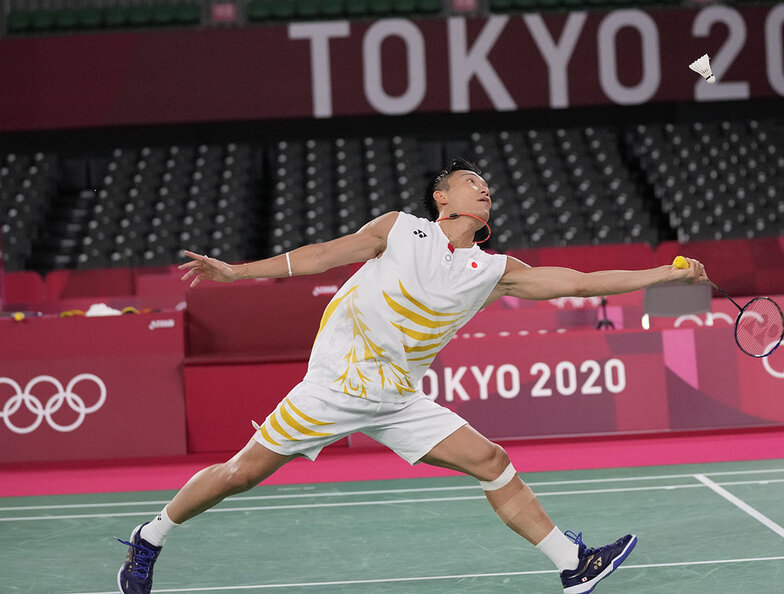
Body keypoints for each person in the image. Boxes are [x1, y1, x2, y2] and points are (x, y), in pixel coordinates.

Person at [116, 158, 707, 594]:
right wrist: (236, 273)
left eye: (489, 186)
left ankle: (572, 566)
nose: (485, 189)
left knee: (492, 461)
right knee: (241, 474)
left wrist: (667, 275)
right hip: (336, 386)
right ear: (441, 196)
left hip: (398, 399)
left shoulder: (493, 270)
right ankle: (149, 539)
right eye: (472, 180)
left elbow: (580, 282)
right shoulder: (400, 230)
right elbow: (324, 254)